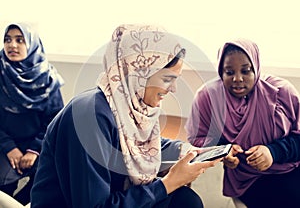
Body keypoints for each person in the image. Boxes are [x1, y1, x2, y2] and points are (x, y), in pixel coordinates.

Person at [30, 24, 221, 208]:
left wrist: (192, 152)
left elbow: (138, 144)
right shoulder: (88, 116)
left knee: (185, 200)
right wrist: (168, 183)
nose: (173, 88)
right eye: (167, 79)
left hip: (114, 195)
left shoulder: (123, 108)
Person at [185, 38, 300, 208]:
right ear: (220, 72)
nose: (237, 79)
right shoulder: (209, 97)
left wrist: (272, 152)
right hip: (247, 178)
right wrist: (224, 151)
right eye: (229, 72)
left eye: (246, 71)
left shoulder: (281, 93)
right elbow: (198, 139)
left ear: (256, 68)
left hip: (288, 167)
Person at [0, 22, 64, 205]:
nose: (12, 45)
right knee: (3, 185)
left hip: (39, 145)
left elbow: (55, 121)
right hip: (5, 144)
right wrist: (9, 148)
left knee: (51, 182)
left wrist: (34, 150)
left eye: (20, 40)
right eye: (7, 39)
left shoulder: (48, 78)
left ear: (32, 44)